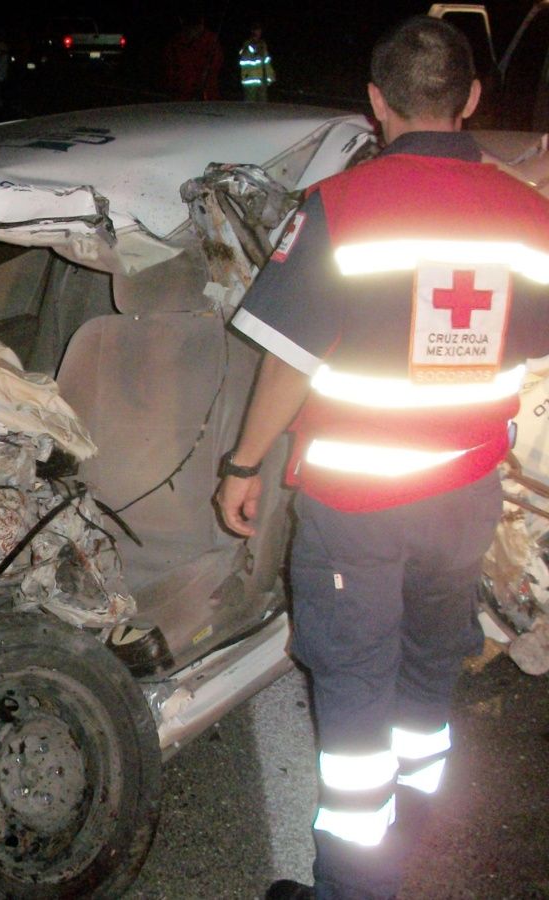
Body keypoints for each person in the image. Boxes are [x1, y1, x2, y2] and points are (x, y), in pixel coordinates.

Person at [215, 16, 549, 900]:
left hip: (359, 502)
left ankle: (353, 889)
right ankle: (421, 806)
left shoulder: (342, 210)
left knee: (355, 686)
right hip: (468, 491)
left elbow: (288, 358)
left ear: (375, 103)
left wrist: (242, 466)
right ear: (473, 99)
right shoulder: (531, 215)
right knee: (432, 654)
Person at [164, 13, 223, 101]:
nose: (193, 31)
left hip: (206, 95)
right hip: (181, 95)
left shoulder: (210, 42)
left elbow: (216, 66)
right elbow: (170, 68)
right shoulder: (176, 44)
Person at [239, 22, 276, 102]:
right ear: (252, 32)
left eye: (259, 31)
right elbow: (244, 60)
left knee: (263, 104)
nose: (258, 33)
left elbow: (266, 62)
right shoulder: (247, 45)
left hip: (262, 79)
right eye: (256, 30)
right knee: (250, 105)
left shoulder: (263, 44)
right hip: (250, 80)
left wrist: (271, 76)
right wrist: (254, 48)